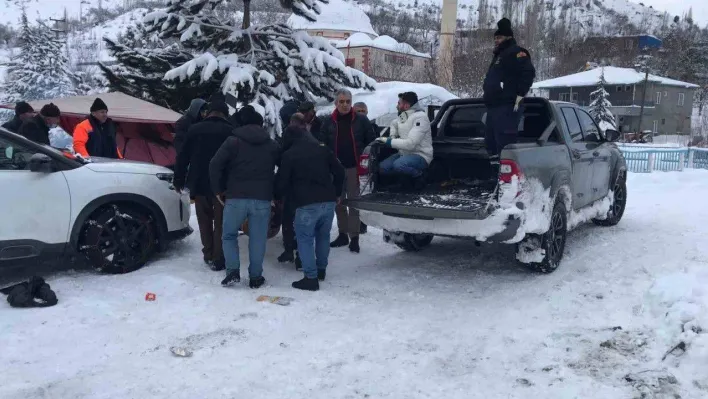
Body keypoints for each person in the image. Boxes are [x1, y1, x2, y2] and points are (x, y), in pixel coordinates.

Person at [209, 105, 280, 289]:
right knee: (257, 238)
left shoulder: (232, 142)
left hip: (235, 197)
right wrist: (276, 191)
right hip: (263, 198)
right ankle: (256, 277)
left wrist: (218, 190)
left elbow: (215, 164)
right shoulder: (271, 144)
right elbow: (285, 166)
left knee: (229, 235)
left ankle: (232, 272)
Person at [276, 113, 345, 291]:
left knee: (305, 239)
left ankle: (310, 277)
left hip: (305, 203)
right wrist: (337, 192)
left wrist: (278, 198)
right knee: (323, 236)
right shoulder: (322, 148)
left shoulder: (289, 155)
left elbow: (282, 182)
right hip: (328, 201)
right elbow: (340, 171)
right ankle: (321, 270)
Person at [174, 99, 234, 271]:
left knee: (204, 221)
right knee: (221, 222)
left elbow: (182, 157)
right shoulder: (230, 131)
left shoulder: (194, 129)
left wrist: (178, 179)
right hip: (222, 186)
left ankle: (208, 253)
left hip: (199, 183)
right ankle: (219, 256)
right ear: (224, 113)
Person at [319, 88, 376, 253]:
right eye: (341, 102)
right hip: (336, 169)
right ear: (336, 103)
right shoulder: (328, 122)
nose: (345, 105)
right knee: (339, 202)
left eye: (348, 102)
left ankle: (355, 237)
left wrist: (366, 161)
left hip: (354, 168)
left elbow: (370, 142)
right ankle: (342, 234)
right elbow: (322, 144)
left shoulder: (361, 120)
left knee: (354, 202)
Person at [482, 17, 536, 160]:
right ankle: (494, 175)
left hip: (507, 105)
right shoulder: (499, 56)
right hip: (493, 106)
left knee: (504, 145)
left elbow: (528, 73)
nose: (496, 40)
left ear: (508, 37)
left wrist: (520, 93)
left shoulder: (517, 53)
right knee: (491, 145)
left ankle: (506, 178)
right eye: (495, 38)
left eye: (499, 37)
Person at [375, 92, 433, 190]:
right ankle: (404, 182)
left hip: (420, 155)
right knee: (382, 168)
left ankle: (420, 176)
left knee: (399, 165)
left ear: (406, 105)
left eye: (399, 103)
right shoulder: (404, 116)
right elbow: (394, 123)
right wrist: (392, 135)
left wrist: (389, 142)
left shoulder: (421, 117)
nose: (397, 106)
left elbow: (410, 144)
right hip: (404, 154)